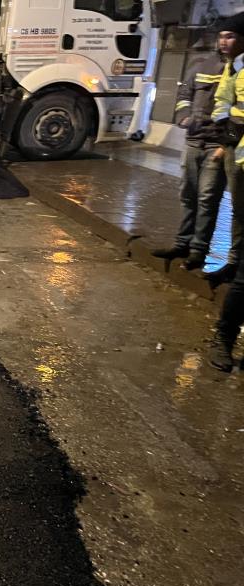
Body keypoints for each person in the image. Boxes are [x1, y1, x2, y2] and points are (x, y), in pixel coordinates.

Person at [153, 22, 244, 271]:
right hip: (194, 141)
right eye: (221, 36)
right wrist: (183, 117)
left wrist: (225, 145)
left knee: (207, 199)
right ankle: (182, 243)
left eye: (231, 36)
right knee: (188, 195)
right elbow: (184, 95)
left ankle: (198, 251)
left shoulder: (237, 69)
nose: (224, 41)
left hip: (218, 144)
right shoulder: (201, 65)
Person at [209, 12, 244, 370]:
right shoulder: (235, 68)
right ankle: (224, 337)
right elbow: (223, 102)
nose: (225, 42)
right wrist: (227, 134)